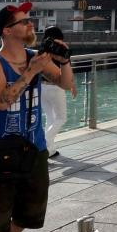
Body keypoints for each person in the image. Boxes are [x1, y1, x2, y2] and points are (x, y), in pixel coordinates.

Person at [0, 2, 74, 232]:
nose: (31, 24)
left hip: (34, 148)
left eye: (30, 19)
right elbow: (3, 102)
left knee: (30, 212)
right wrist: (31, 72)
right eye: (24, 21)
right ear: (7, 30)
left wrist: (65, 60)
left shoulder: (33, 57)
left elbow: (64, 83)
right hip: (2, 151)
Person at [40, 26, 77, 158]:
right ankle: (43, 144)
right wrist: (72, 85)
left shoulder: (43, 48)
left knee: (50, 117)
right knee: (61, 118)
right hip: (56, 87)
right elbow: (66, 67)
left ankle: (50, 150)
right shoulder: (60, 48)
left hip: (42, 87)